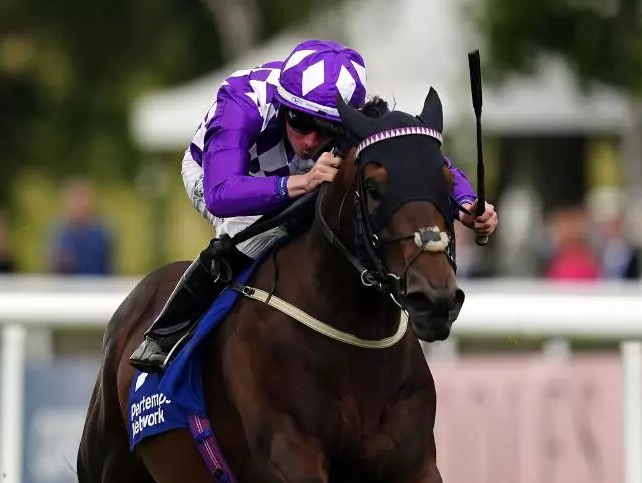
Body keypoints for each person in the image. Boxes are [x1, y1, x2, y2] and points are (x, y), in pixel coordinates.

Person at [129, 38, 499, 373]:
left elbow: (423, 163)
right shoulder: (242, 101)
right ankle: (167, 334)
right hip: (224, 174)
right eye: (300, 122)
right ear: (283, 106)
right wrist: (300, 182)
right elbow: (221, 193)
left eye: (326, 129)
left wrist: (466, 204)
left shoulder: (361, 116)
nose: (309, 141)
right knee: (252, 234)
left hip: (300, 177)